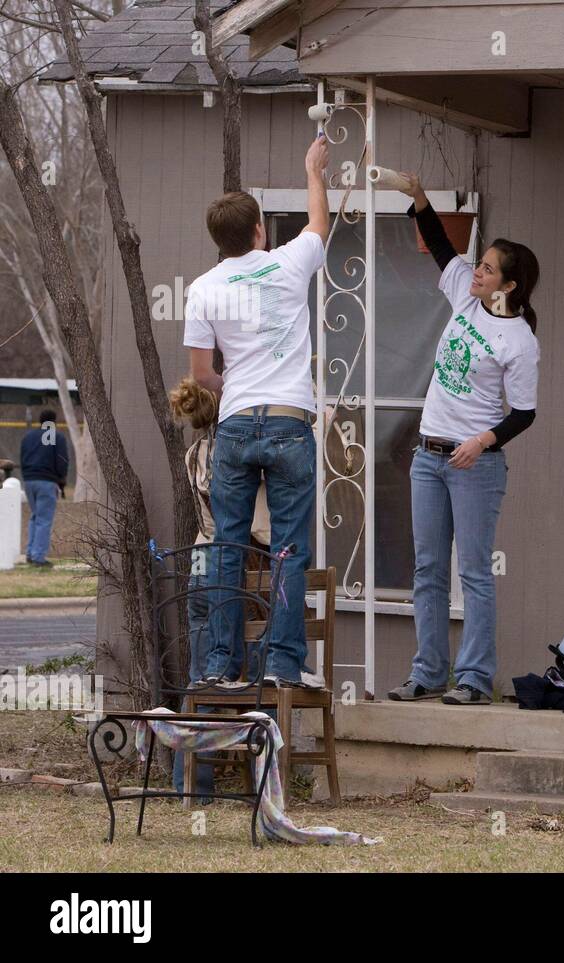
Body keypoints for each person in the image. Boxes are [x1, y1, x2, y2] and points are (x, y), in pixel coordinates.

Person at [386, 173, 541, 707]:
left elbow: (524, 413)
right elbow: (441, 248)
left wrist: (482, 441)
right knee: (427, 568)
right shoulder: (466, 299)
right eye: (479, 265)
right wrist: (417, 196)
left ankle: (473, 679)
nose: (476, 271)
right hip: (427, 457)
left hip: (474, 464)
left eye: (488, 269)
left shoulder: (518, 339)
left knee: (472, 571)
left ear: (509, 285)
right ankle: (427, 672)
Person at [184, 135, 330, 686]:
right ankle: (282, 664)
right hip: (291, 420)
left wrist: (236, 389)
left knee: (227, 544)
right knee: (288, 549)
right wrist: (313, 168)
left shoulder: (202, 289)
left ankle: (220, 666)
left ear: (217, 240)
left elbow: (202, 375)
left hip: (237, 422)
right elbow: (319, 225)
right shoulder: (288, 263)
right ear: (259, 231)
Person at [166, 376, 271, 799]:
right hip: (227, 565)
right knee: (242, 673)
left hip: (198, 561)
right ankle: (259, 777)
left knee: (199, 679)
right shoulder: (238, 454)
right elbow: (258, 526)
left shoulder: (194, 454)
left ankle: (190, 783)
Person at [20, 409, 69, 568]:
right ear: (53, 421)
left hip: (29, 481)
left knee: (35, 516)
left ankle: (30, 552)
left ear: (40, 421)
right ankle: (38, 557)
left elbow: (22, 457)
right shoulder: (57, 437)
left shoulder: (28, 436)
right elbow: (62, 461)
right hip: (47, 482)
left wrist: (27, 476)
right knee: (44, 520)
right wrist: (61, 480)